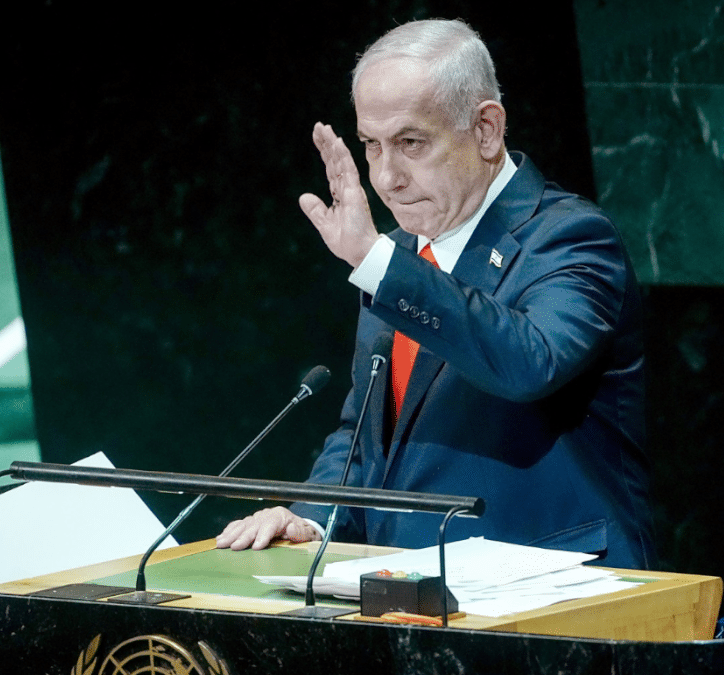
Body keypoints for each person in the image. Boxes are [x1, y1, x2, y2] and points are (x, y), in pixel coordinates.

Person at [216, 19, 654, 569]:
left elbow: (529, 362)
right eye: (371, 146)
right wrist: (310, 516)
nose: (385, 177)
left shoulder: (570, 236)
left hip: (557, 597)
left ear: (487, 130)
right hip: (411, 600)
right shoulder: (399, 257)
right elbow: (369, 435)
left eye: (410, 143)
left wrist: (378, 263)